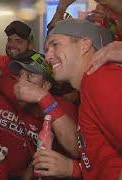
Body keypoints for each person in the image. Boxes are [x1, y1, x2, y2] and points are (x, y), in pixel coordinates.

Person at [35, 19, 120, 179]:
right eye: (46, 49)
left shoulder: (100, 79)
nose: (47, 57)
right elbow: (104, 161)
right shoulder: (89, 87)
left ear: (84, 45)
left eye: (55, 44)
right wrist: (72, 168)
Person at [0, 50, 78, 179]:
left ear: (46, 85)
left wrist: (43, 98)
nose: (20, 83)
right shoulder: (13, 92)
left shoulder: (63, 109)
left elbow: (77, 149)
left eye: (29, 76)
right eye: (19, 75)